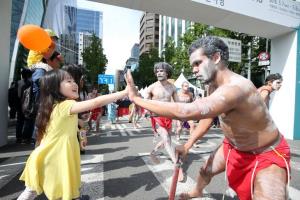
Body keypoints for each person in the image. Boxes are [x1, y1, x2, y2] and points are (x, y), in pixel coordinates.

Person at [126, 36, 290, 200]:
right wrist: (188, 144)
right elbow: (207, 117)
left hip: (267, 153)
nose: (194, 69)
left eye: (198, 63)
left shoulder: (236, 87)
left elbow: (188, 111)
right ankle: (197, 190)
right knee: (205, 170)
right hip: (233, 147)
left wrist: (137, 99)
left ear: (216, 57)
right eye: (193, 65)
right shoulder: (212, 86)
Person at [17, 69, 128, 200]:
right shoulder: (67, 105)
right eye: (68, 81)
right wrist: (124, 92)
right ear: (55, 87)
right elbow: (96, 102)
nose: (74, 83)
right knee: (62, 189)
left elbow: (77, 124)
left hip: (44, 158)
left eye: (73, 80)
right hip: (56, 158)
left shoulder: (52, 107)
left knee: (31, 192)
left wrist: (82, 136)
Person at [141, 62, 185, 181]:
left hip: (168, 116)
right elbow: (146, 102)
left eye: (162, 71)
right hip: (156, 117)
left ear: (167, 72)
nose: (159, 73)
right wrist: (146, 111)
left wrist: (179, 119)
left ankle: (154, 151)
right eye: (157, 71)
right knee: (166, 138)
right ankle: (177, 166)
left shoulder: (172, 87)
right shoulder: (152, 87)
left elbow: (178, 104)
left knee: (167, 139)